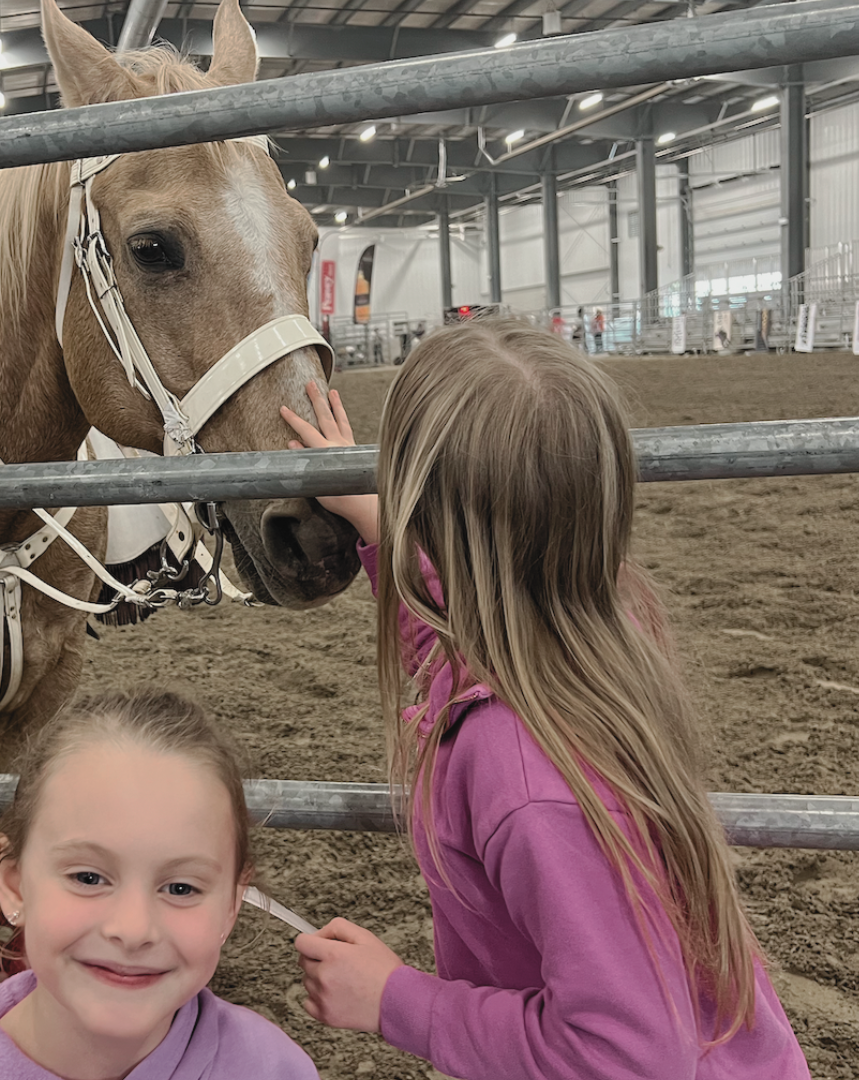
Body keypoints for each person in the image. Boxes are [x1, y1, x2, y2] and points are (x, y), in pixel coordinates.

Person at [281, 319, 809, 1080]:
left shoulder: (523, 775)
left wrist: (396, 999)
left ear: (422, 508)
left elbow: (629, 1057)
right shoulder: (594, 640)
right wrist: (373, 515)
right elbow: (456, 631)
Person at [0, 689, 320, 1080]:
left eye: (181, 888)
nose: (133, 929)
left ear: (231, 906)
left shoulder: (277, 1067)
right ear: (15, 885)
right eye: (88, 878)